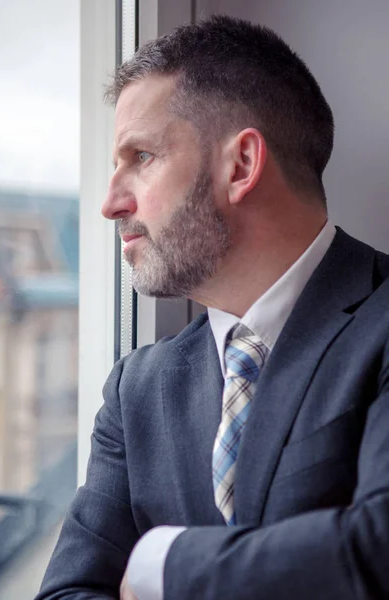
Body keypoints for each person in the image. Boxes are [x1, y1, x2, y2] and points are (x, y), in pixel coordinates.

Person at [37, 14, 389, 600]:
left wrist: (162, 561)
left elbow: (377, 551)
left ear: (241, 165)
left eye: (141, 156)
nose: (109, 202)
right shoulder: (137, 391)